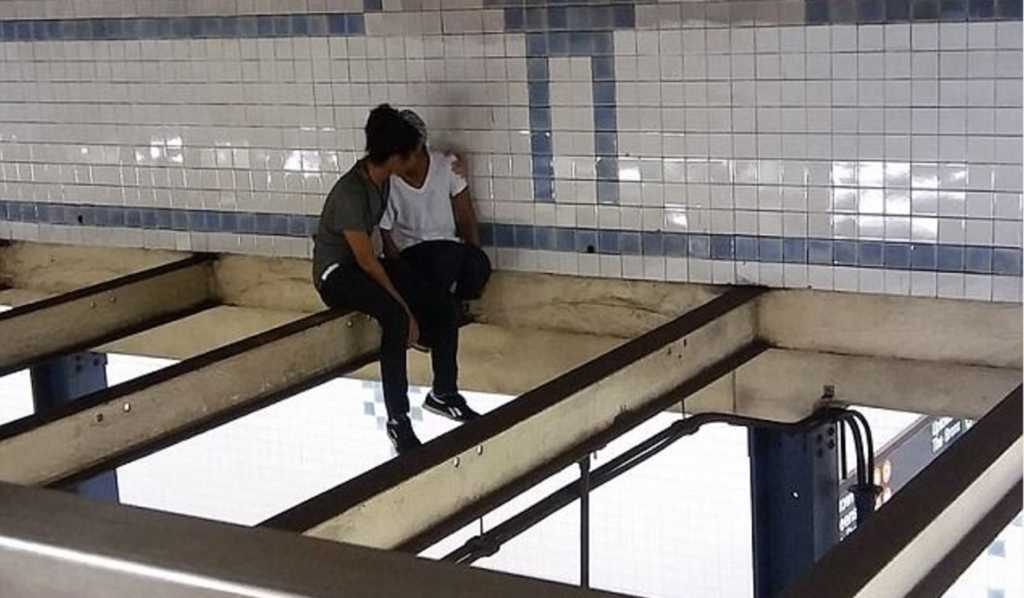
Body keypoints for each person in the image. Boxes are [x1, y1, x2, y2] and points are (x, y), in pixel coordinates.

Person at [312, 104, 479, 455]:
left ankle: (443, 392)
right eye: (412, 156)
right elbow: (367, 262)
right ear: (396, 158)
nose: (417, 162)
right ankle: (398, 420)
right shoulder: (351, 194)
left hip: (365, 266)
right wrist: (406, 311)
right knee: (395, 318)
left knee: (444, 305)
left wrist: (453, 162)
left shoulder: (381, 179)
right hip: (337, 275)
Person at [380, 109, 492, 308]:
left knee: (475, 264)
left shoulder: (446, 166)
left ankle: (451, 306)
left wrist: (474, 256)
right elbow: (386, 236)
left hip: (448, 251)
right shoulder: (389, 182)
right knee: (437, 267)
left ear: (417, 149)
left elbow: (466, 216)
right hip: (412, 255)